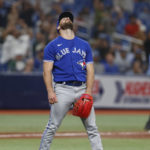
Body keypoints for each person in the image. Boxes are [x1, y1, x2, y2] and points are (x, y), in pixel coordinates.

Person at [39, 11, 103, 150]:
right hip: (62, 89)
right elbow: (47, 71)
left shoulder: (85, 45)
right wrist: (50, 91)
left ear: (73, 24)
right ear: (58, 26)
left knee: (92, 127)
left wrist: (88, 92)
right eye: (63, 18)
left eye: (69, 18)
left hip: (82, 89)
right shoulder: (52, 46)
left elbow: (90, 70)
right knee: (52, 126)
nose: (67, 18)